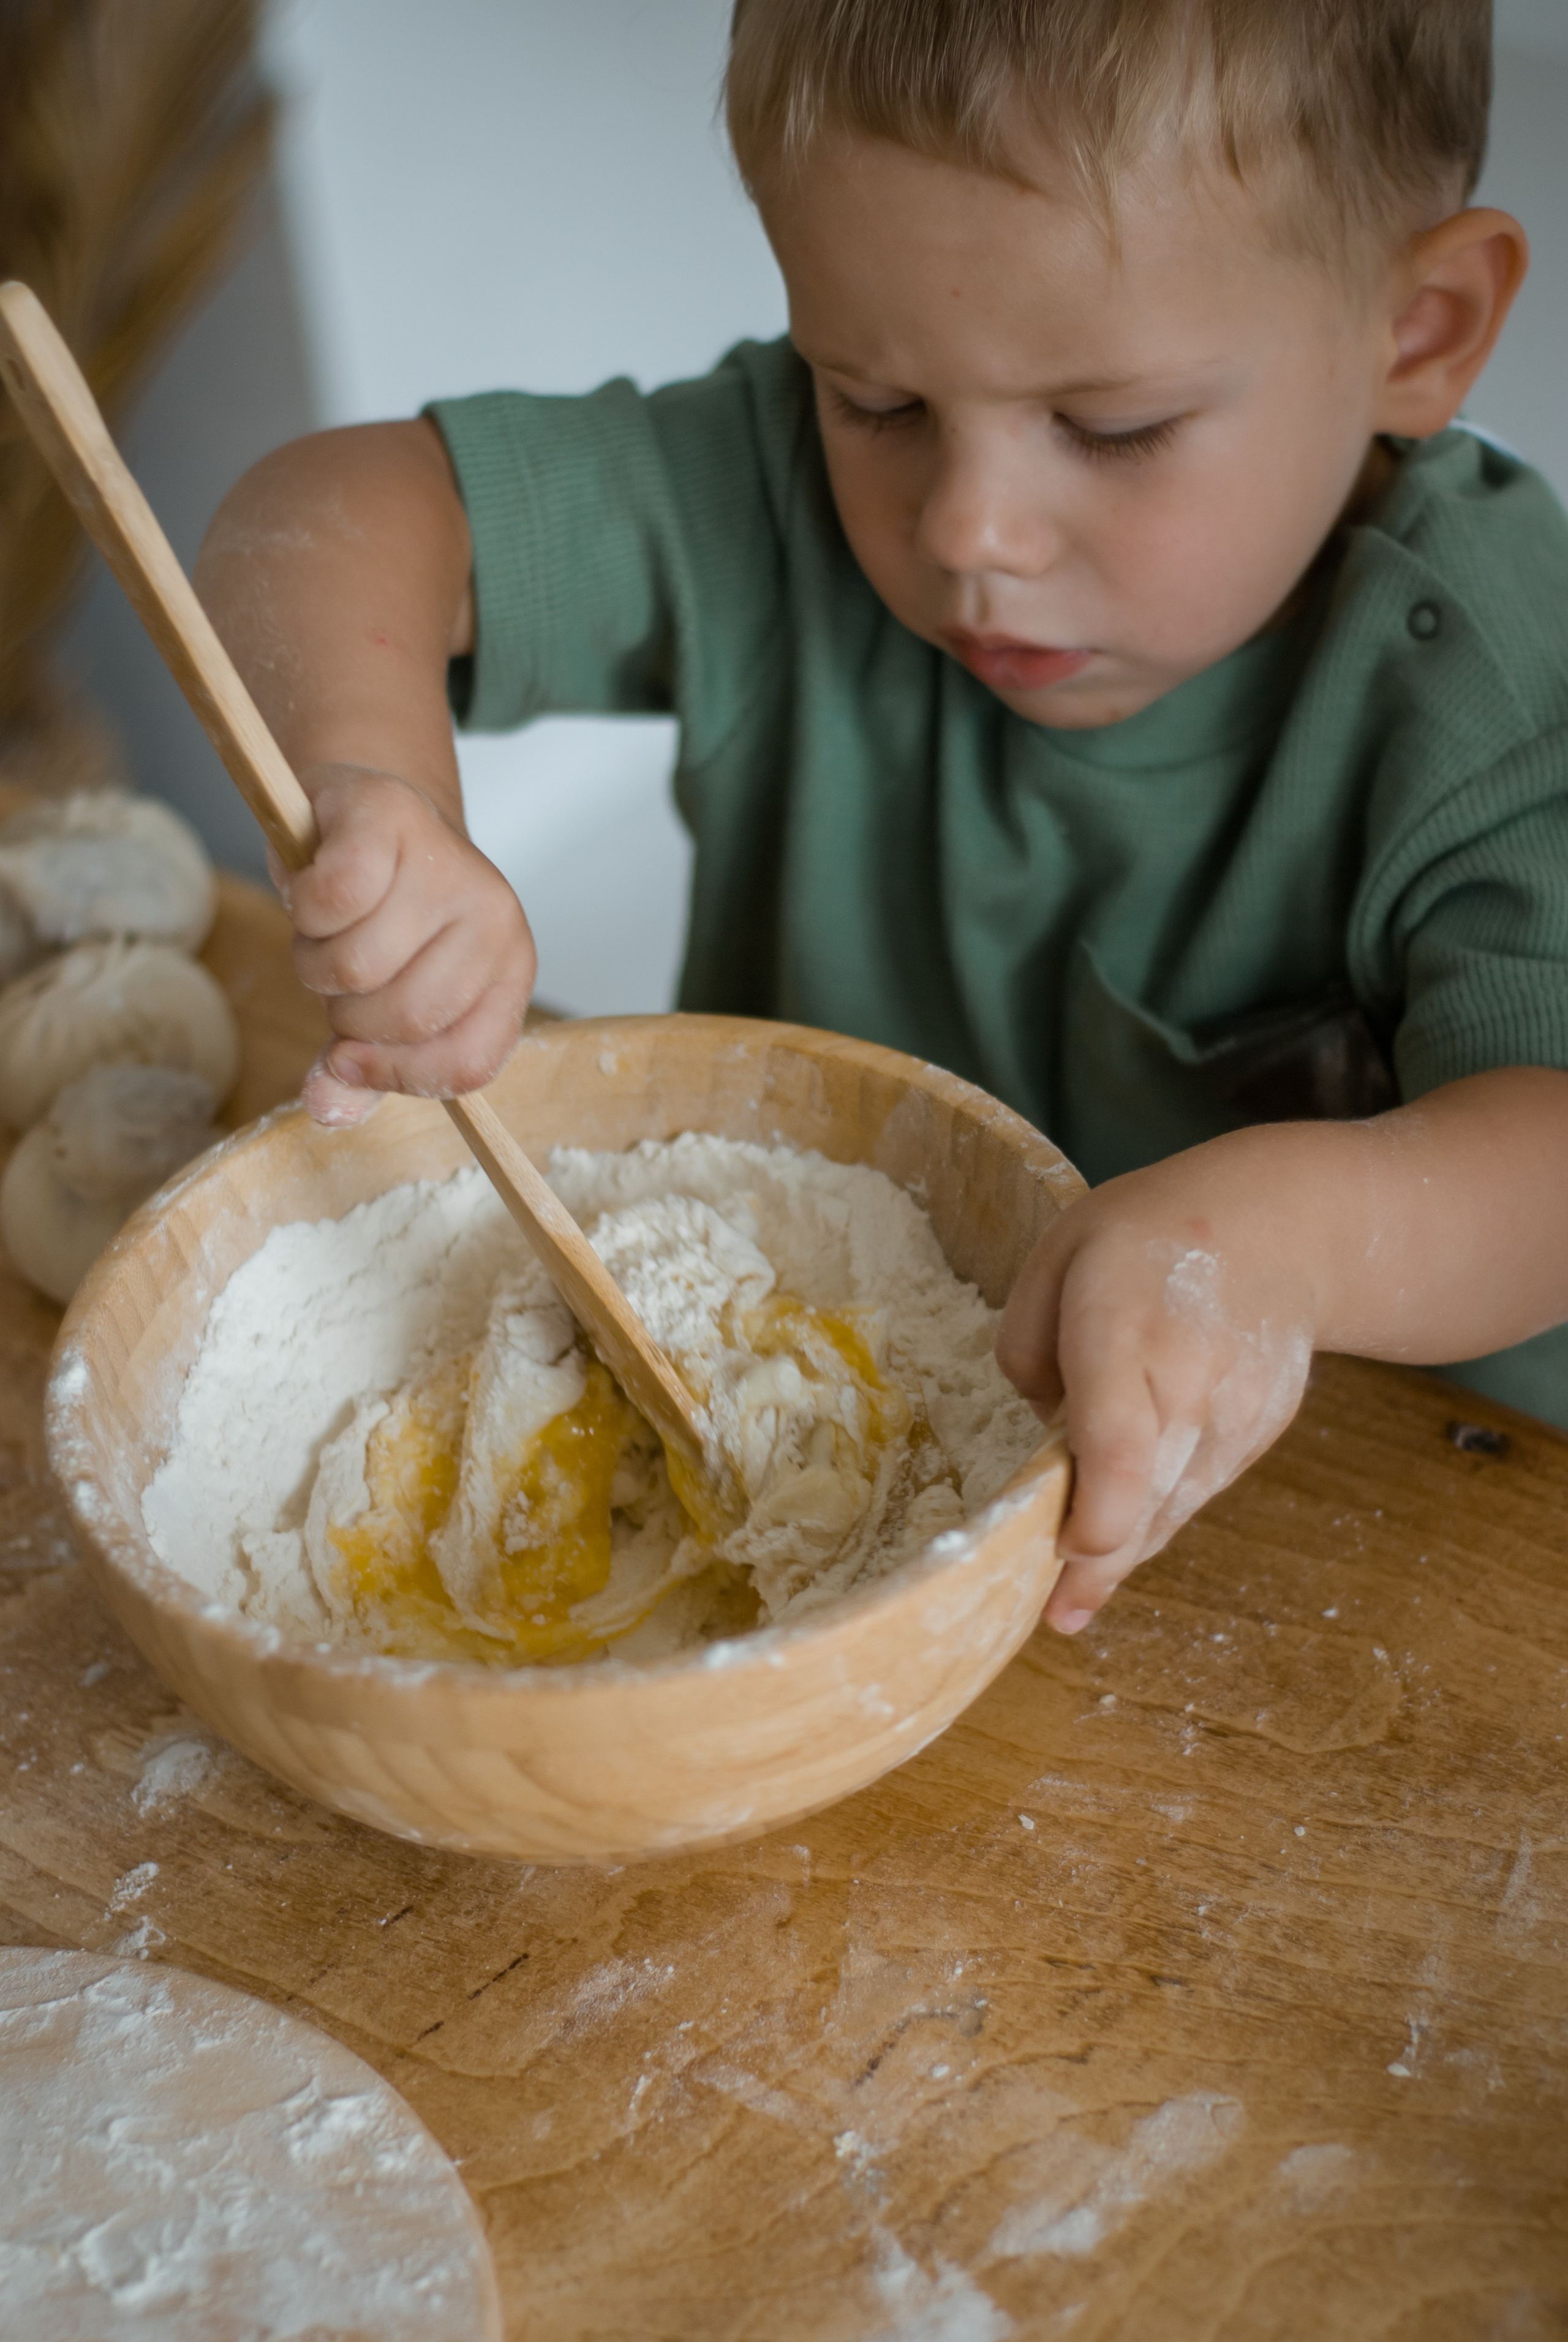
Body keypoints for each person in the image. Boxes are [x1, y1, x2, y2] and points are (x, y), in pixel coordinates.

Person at [195, 0, 1568, 1636]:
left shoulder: (1486, 689)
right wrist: (384, 794)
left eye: (1111, 427)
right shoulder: (778, 496)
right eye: (879, 401)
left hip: (1378, 1555)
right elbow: (320, 513)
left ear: (1420, 329)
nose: (970, 528)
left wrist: (1289, 1246)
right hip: (829, 1509)